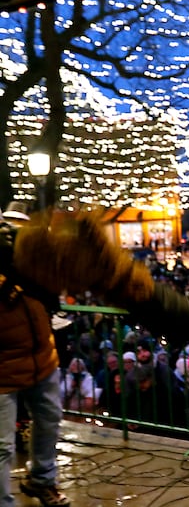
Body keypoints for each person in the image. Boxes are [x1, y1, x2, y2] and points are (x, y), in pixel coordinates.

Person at [0, 203, 70, 506]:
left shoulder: (19, 249)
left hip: (40, 356)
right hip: (2, 368)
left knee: (49, 419)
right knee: (1, 446)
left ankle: (42, 479)